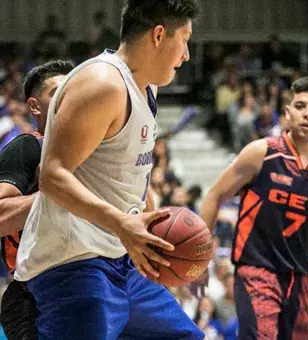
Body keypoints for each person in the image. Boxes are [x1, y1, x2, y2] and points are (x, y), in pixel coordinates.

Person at [15, 1, 206, 339]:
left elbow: (122, 171)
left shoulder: (145, 86)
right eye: (186, 39)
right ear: (159, 35)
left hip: (118, 258)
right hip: (73, 263)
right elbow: (52, 176)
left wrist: (150, 225)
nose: (187, 55)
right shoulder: (103, 84)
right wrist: (122, 223)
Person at [200, 76, 308, 339]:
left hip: (299, 278)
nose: (307, 113)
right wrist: (199, 255)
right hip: (256, 270)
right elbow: (215, 195)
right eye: (300, 106)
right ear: (287, 113)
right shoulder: (261, 153)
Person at [0, 60, 74, 340]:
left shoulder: (98, 151)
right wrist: (64, 193)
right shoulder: (28, 146)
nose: (68, 97)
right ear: (34, 106)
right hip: (36, 292)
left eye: (74, 90)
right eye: (57, 92)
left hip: (99, 278)